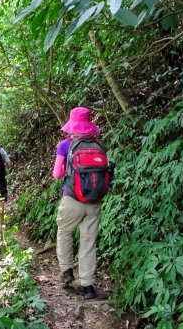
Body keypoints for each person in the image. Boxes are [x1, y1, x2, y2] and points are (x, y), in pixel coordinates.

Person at [53, 107, 112, 300]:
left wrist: (69, 171)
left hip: (71, 199)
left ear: (72, 126)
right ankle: (88, 287)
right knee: (88, 242)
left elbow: (57, 174)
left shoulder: (65, 145)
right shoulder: (98, 146)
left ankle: (67, 271)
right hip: (94, 200)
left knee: (64, 232)